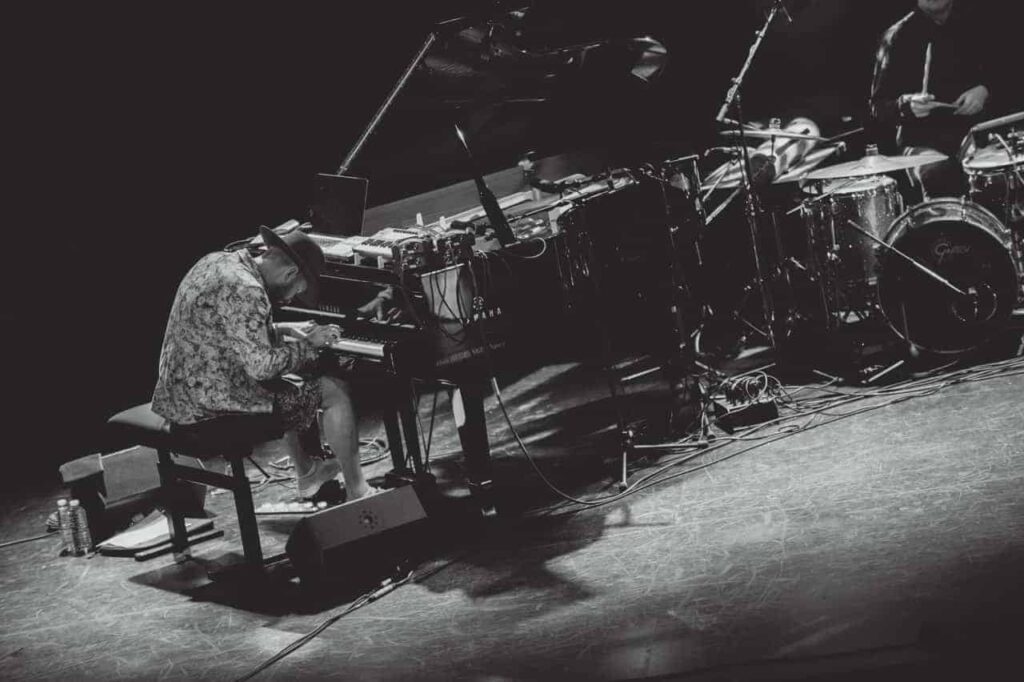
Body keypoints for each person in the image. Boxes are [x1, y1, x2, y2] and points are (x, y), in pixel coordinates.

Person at [152, 224, 379, 502]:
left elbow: (233, 330)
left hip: (180, 394)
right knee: (333, 390)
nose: (293, 297)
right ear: (290, 273)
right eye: (297, 290)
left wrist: (286, 330)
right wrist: (310, 345)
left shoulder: (219, 261)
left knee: (290, 380)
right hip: (208, 407)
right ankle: (359, 491)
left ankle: (308, 474)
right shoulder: (248, 289)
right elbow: (262, 366)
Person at [869, 0, 996, 199]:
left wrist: (985, 90)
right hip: (921, 141)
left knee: (1001, 168)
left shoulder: (978, 22)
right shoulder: (897, 36)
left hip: (976, 133)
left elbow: (1008, 74)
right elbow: (878, 106)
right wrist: (907, 106)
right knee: (938, 172)